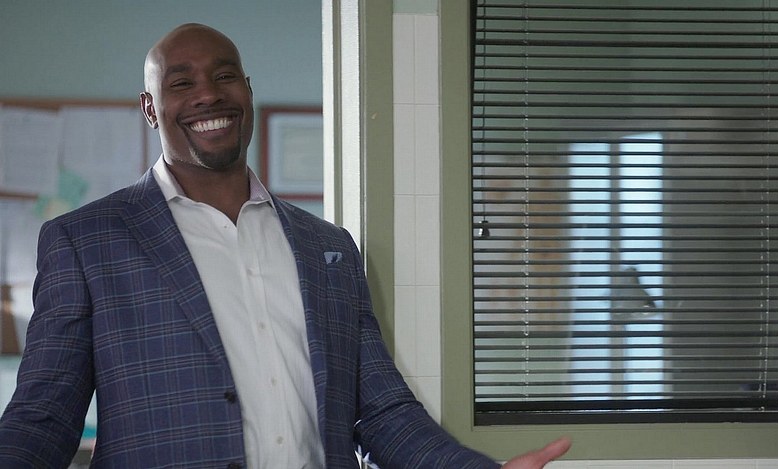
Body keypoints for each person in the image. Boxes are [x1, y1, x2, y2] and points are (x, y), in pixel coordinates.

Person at [0, 23, 571, 468]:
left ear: (247, 91)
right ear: (151, 108)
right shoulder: (87, 241)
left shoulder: (329, 248)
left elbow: (381, 411)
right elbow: (44, 418)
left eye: (225, 76)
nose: (208, 94)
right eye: (181, 83)